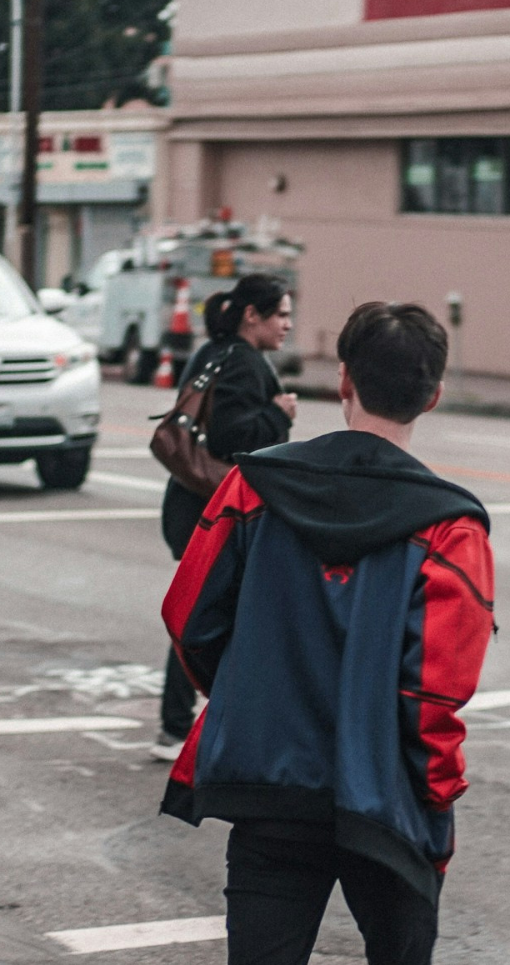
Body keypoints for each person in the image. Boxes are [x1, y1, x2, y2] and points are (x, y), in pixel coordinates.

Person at [158, 301, 496, 965]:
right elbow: (436, 694)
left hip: (269, 788)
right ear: (434, 395)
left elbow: (192, 617)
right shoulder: (451, 523)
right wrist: (437, 802)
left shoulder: (253, 484)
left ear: (342, 380)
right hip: (384, 801)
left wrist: (246, 697)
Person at [151, 272, 298, 762]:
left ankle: (185, 726)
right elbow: (236, 439)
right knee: (215, 616)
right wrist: (279, 412)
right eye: (280, 314)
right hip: (217, 511)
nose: (288, 325)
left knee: (210, 612)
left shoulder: (210, 351)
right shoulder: (244, 362)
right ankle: (181, 728)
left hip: (189, 504)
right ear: (251, 315)